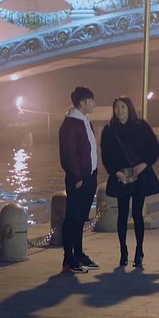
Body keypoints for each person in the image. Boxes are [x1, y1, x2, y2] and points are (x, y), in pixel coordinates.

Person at [100, 96, 159, 268]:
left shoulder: (141, 126)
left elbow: (156, 148)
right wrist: (116, 172)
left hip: (139, 176)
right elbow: (106, 155)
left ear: (129, 109)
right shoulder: (109, 130)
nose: (119, 111)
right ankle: (123, 251)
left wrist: (144, 164)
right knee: (122, 215)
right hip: (121, 177)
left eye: (123, 107)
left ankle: (139, 251)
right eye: (116, 107)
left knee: (137, 214)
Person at [58, 86, 100, 274]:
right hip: (79, 179)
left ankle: (79, 254)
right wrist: (77, 177)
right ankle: (69, 259)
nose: (94, 104)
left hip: (89, 176)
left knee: (81, 217)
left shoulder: (85, 121)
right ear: (82, 103)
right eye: (91, 101)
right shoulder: (71, 124)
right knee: (72, 218)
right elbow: (69, 154)